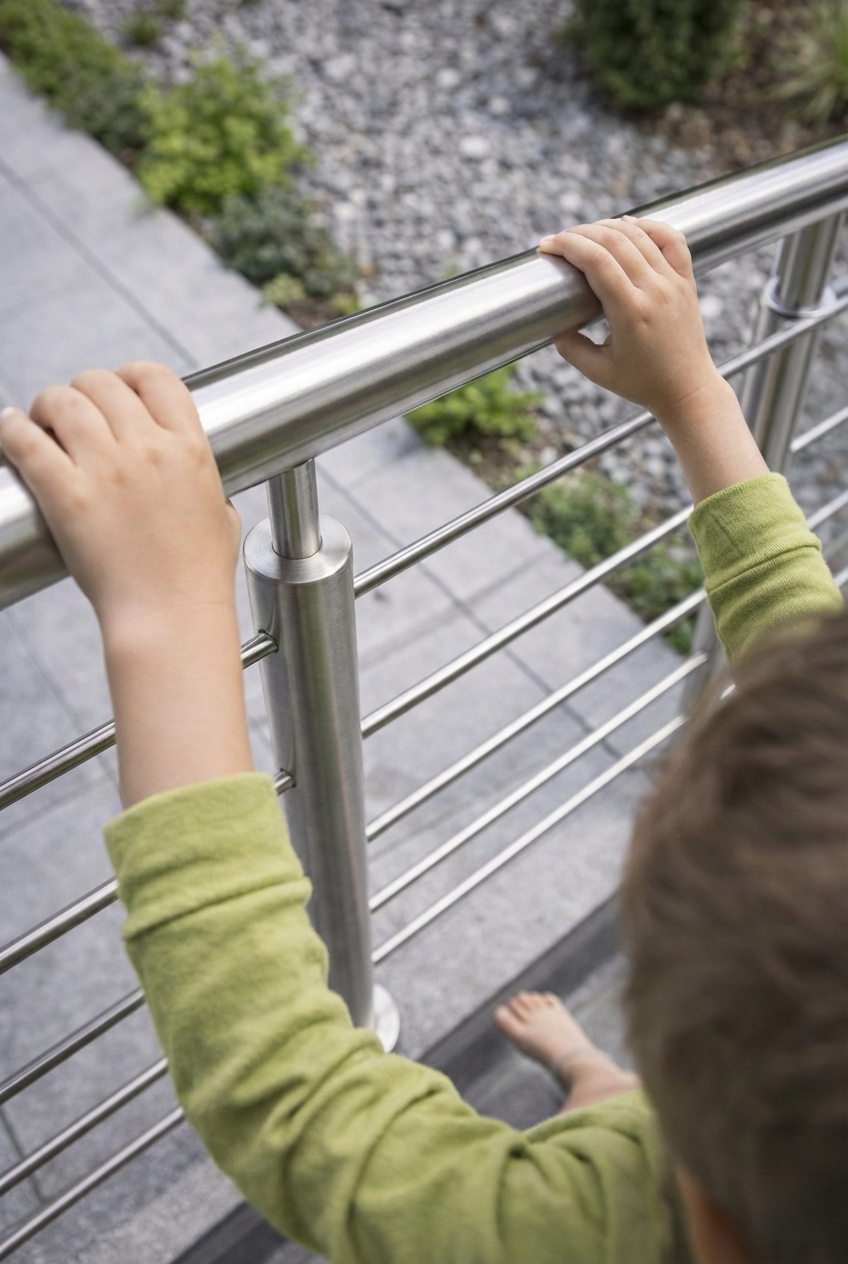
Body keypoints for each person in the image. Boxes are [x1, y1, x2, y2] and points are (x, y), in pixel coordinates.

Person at [0, 217, 843, 1264]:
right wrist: (694, 393)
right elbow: (805, 654)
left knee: (610, 1130)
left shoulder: (579, 1232)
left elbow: (295, 1100)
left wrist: (166, 613)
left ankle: (602, 1088)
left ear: (706, 1215)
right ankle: (599, 1075)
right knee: (611, 1107)